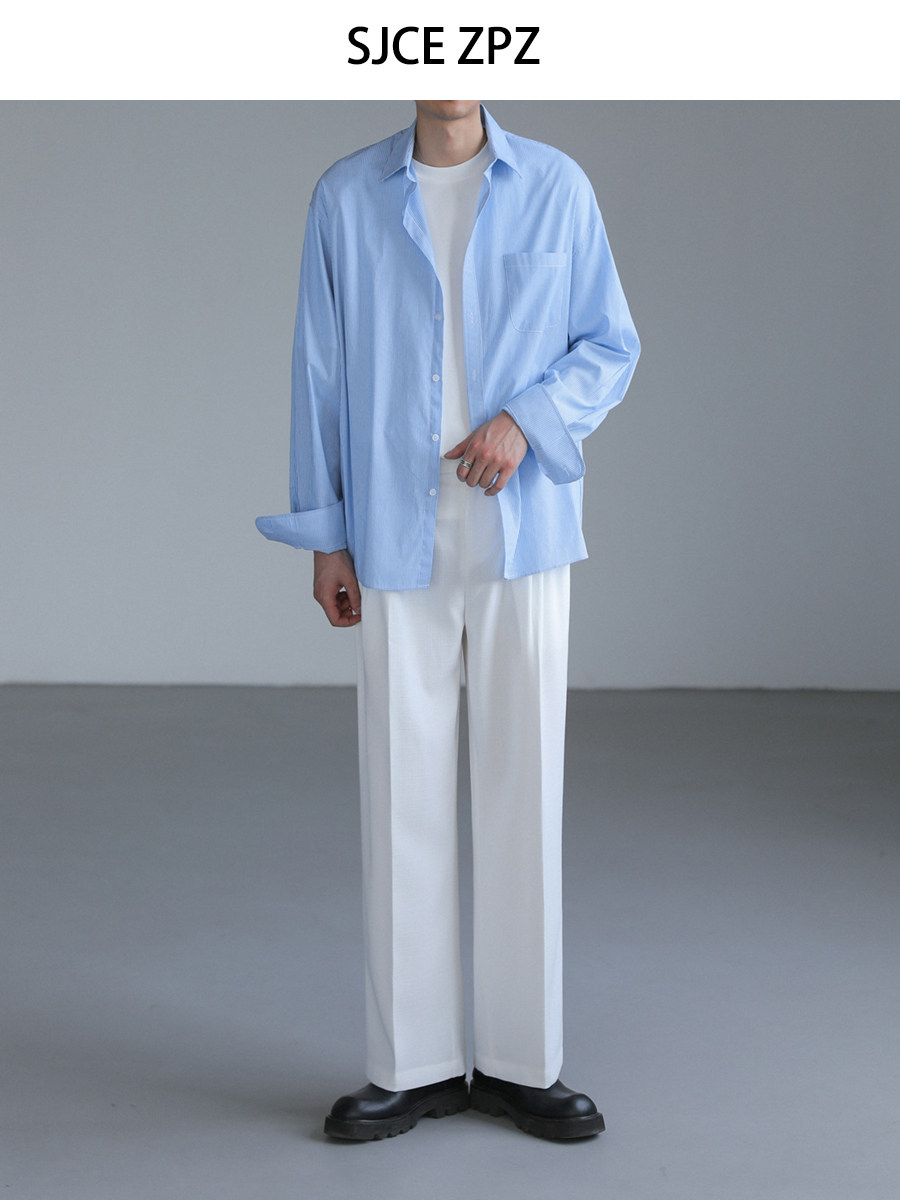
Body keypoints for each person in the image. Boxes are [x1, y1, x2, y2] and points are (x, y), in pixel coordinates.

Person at [256, 101, 640, 1141]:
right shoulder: (345, 199)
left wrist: (527, 420)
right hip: (394, 534)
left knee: (526, 794)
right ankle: (412, 1066)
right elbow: (319, 372)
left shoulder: (556, 187)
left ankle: (524, 1062)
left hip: (524, 536)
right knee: (402, 793)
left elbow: (611, 343)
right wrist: (327, 535)